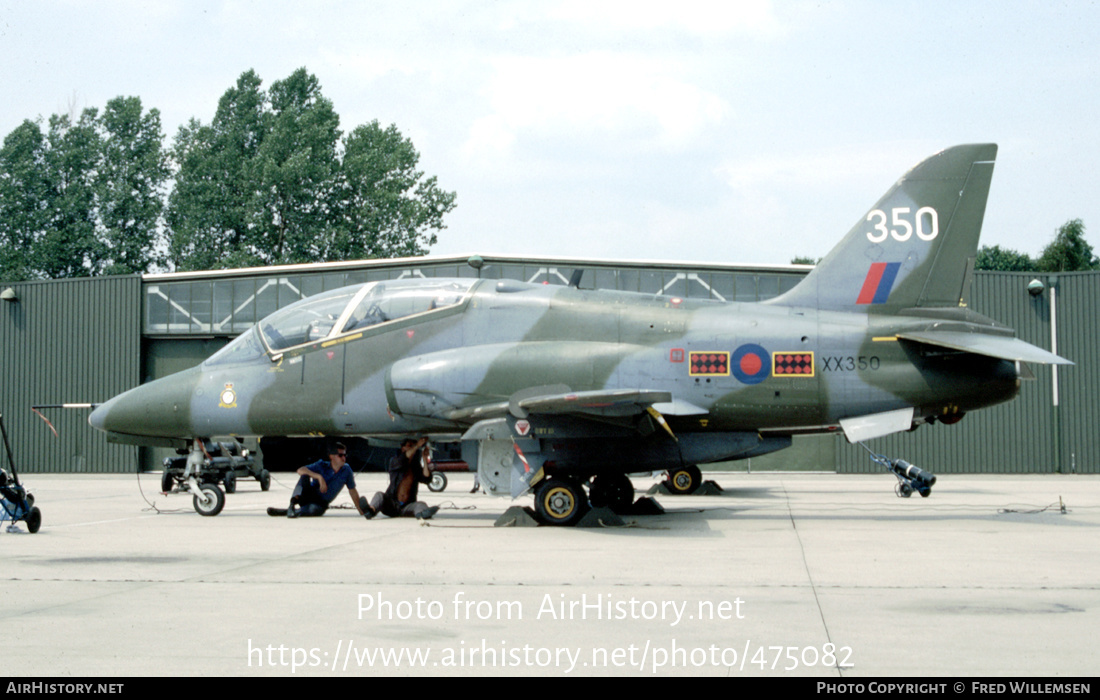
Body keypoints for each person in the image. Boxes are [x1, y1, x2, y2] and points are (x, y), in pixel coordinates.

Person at [267, 443, 367, 518]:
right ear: (331, 456)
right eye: (340, 455)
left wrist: (360, 509)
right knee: (304, 476)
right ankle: (292, 505)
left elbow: (352, 490)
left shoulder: (346, 470)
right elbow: (300, 470)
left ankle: (290, 512)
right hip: (310, 495)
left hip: (321, 503)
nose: (343, 458)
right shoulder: (321, 465)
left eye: (345, 455)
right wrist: (319, 477)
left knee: (313, 510)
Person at [363, 437, 439, 520]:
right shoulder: (395, 461)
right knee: (379, 496)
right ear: (403, 448)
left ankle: (421, 514)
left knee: (421, 504)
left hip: (407, 506)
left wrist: (424, 459)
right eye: (409, 445)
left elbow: (427, 478)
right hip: (392, 505)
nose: (412, 448)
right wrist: (417, 445)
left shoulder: (415, 467)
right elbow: (403, 459)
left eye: (413, 446)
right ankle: (370, 511)